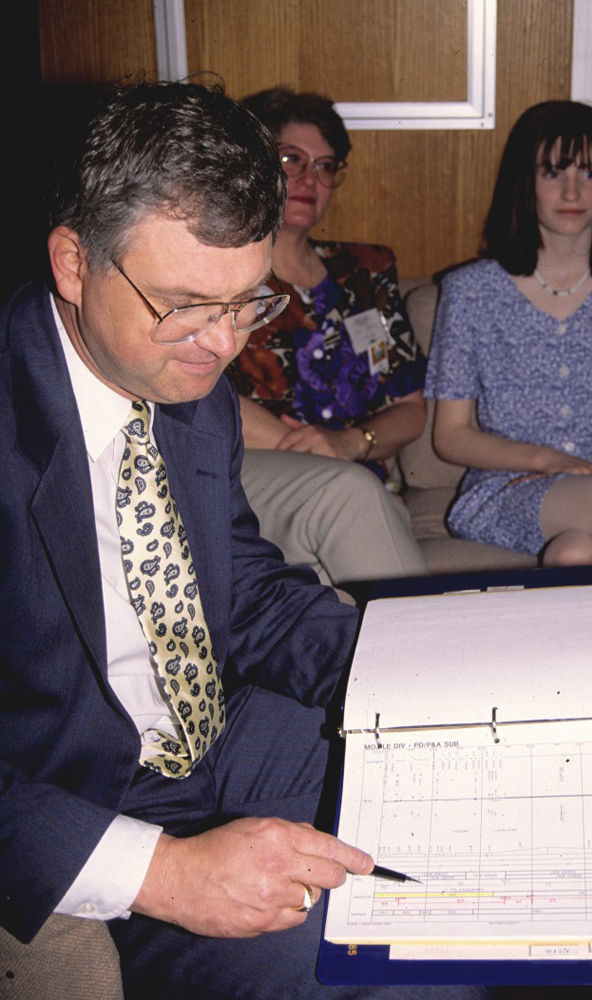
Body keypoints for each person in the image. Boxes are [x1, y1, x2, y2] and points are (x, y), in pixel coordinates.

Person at [0, 81, 489, 1000]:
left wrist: (403, 661)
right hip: (82, 800)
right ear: (73, 261)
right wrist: (168, 875)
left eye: (245, 304)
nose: (222, 347)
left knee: (478, 829)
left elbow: (241, 589)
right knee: (388, 968)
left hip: (224, 732)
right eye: (187, 304)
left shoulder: (186, 381)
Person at [425, 101, 592, 745]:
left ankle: (586, 740)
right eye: (553, 172)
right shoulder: (471, 291)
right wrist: (549, 462)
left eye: (589, 172)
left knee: (577, 555)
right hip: (514, 494)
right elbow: (451, 436)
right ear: (526, 183)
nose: (572, 190)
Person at [225, 86, 428, 587]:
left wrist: (351, 444)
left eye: (325, 165)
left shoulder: (365, 271)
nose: (308, 179)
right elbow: (203, 396)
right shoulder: (221, 273)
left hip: (357, 482)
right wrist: (320, 454)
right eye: (291, 159)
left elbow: (411, 407)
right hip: (258, 472)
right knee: (352, 510)